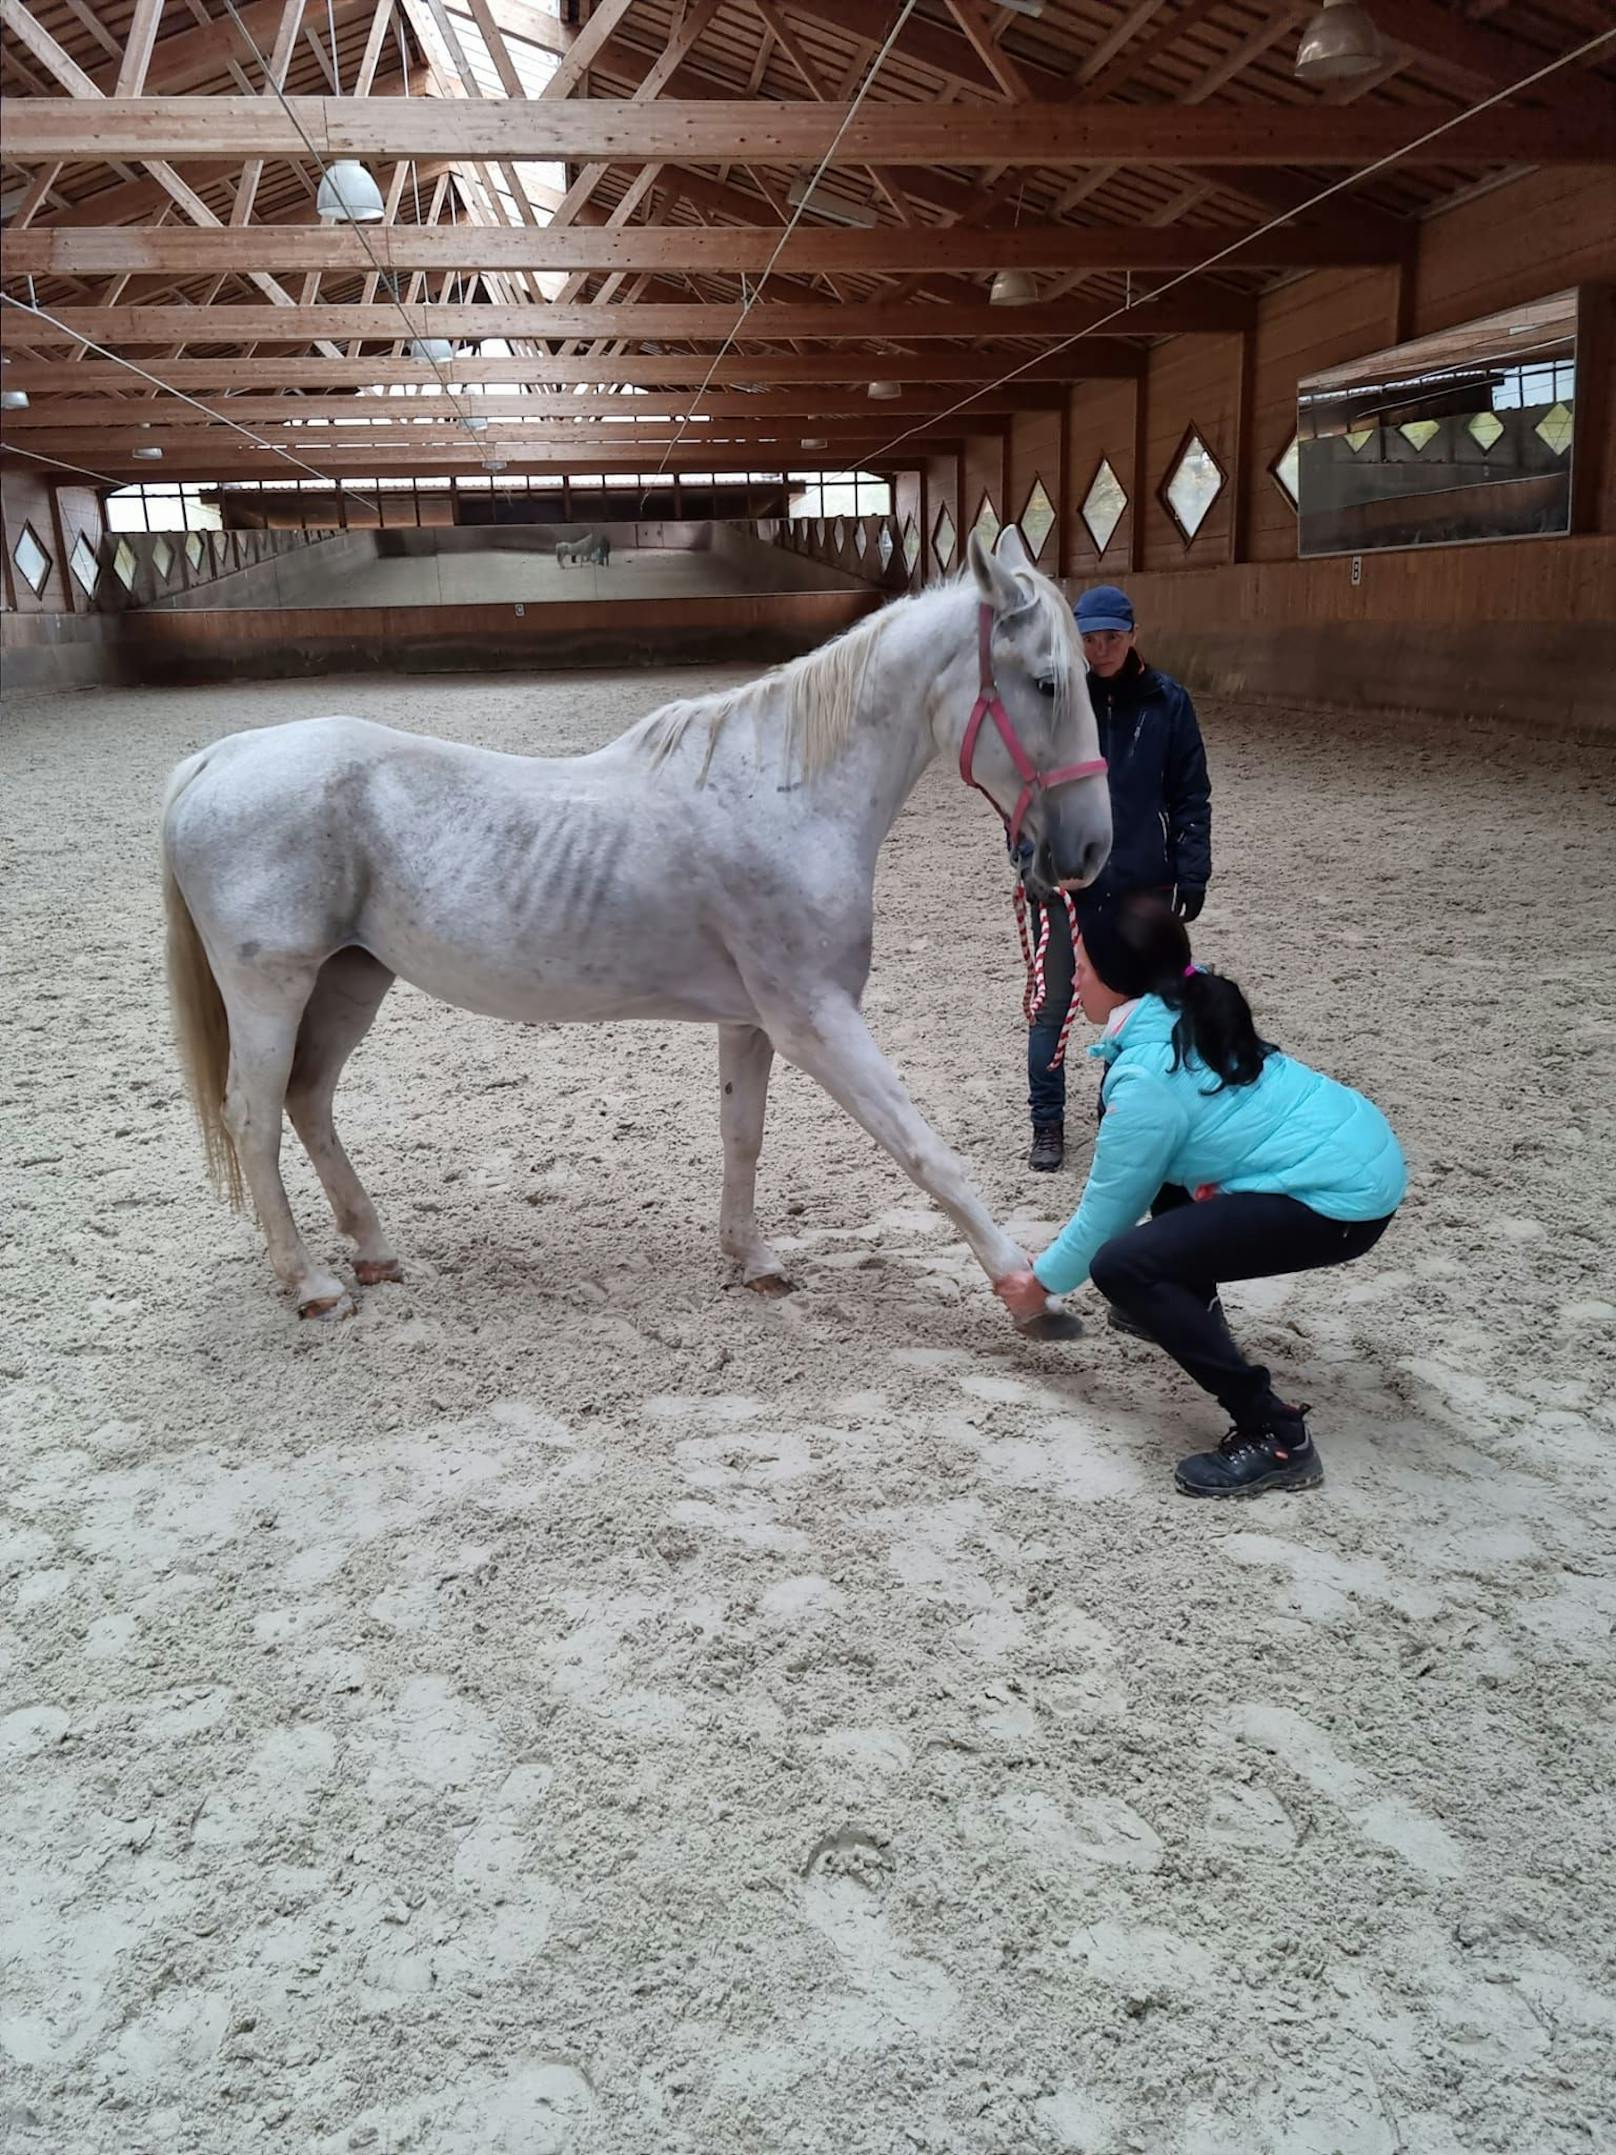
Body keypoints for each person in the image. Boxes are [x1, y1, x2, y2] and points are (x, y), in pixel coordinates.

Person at [994, 897, 1406, 1498]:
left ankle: (1275, 1432)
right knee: (1156, 1198)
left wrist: (1040, 1285)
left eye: (1080, 966)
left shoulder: (1146, 1080)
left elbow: (1107, 1213)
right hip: (1355, 1156)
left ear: (1118, 981)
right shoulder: (1187, 996)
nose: (1073, 979)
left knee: (1122, 1264)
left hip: (1337, 1203)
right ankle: (1164, 1304)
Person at [1025, 584, 1211, 1174]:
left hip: (1138, 882)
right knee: (1052, 1005)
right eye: (1090, 637)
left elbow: (1189, 792)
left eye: (1112, 636)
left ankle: (1117, 1112)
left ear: (1133, 635)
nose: (1101, 648)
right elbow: (1024, 795)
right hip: (1066, 881)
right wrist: (1029, 862)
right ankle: (1047, 1122)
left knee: (1136, 1008)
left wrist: (1191, 867)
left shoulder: (1168, 703)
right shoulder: (1054, 702)